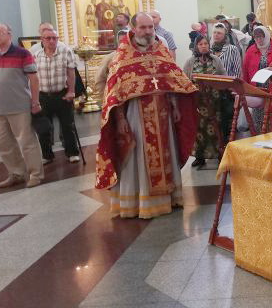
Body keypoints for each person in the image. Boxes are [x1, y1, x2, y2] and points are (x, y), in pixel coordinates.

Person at [96, 12, 198, 219]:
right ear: (133, 29)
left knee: (165, 154)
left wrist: (176, 106)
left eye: (150, 27)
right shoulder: (122, 56)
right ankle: (139, 203)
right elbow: (115, 94)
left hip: (163, 113)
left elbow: (172, 81)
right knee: (139, 156)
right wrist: (121, 119)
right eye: (143, 27)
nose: (148, 31)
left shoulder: (161, 50)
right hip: (135, 114)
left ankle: (168, 199)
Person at [0, 23, 44, 188]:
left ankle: (35, 174)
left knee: (27, 142)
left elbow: (34, 79)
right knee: (4, 144)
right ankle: (16, 173)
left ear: (9, 34)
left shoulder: (23, 53)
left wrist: (35, 101)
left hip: (20, 107)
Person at [33, 27, 80, 164]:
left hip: (62, 95)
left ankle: (72, 152)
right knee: (44, 128)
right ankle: (47, 155)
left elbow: (71, 73)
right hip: (43, 96)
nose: (52, 41)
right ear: (42, 40)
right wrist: (34, 98)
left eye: (55, 38)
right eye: (48, 38)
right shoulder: (37, 56)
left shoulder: (66, 52)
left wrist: (71, 91)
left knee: (67, 125)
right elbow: (34, 78)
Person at [182, 34, 225, 168]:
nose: (203, 46)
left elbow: (223, 77)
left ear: (209, 45)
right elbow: (184, 80)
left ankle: (219, 155)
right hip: (198, 102)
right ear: (196, 46)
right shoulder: (190, 62)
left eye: (205, 43)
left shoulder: (216, 60)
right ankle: (200, 156)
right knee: (199, 129)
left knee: (216, 128)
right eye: (200, 44)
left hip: (214, 102)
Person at [242, 25, 272, 133]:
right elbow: (245, 70)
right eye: (256, 37)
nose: (259, 40)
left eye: (261, 37)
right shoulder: (251, 50)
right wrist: (246, 88)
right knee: (258, 120)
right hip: (257, 89)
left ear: (266, 35)